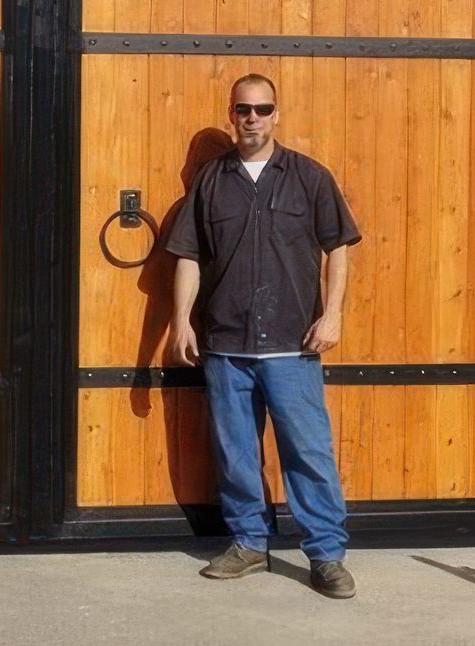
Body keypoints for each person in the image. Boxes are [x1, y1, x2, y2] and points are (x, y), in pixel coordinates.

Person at [163, 72, 361, 599]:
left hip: (293, 346)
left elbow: (339, 247)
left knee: (308, 453)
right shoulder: (210, 181)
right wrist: (181, 320)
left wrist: (333, 315)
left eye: (262, 109)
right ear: (232, 114)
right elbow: (188, 256)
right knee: (236, 453)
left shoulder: (309, 177)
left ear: (277, 113)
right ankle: (249, 543)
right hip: (226, 344)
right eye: (243, 109)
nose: (252, 118)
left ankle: (326, 555)